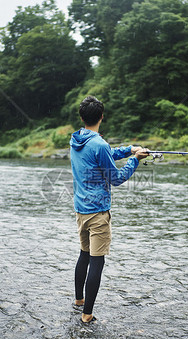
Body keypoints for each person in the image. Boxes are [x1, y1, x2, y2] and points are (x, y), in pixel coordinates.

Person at [70, 96, 149, 323]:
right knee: (97, 260)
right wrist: (135, 160)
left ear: (82, 117)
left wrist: (128, 150)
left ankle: (79, 301)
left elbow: (103, 154)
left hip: (81, 211)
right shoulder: (99, 144)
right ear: (102, 117)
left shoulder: (76, 140)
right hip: (98, 214)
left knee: (84, 254)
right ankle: (87, 315)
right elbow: (116, 178)